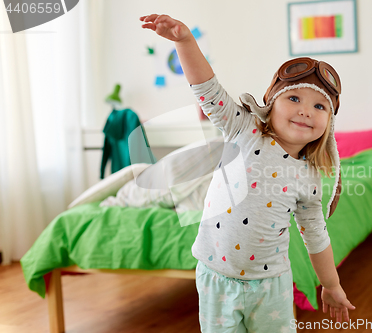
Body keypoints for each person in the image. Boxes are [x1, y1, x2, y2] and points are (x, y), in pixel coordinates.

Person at [140, 14, 355, 332]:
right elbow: (207, 90)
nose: (305, 110)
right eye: (294, 98)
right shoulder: (244, 128)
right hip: (216, 279)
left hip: (271, 285)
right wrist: (185, 42)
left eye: (319, 106)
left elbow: (315, 234)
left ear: (329, 125)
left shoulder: (309, 179)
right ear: (271, 103)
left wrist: (332, 285)